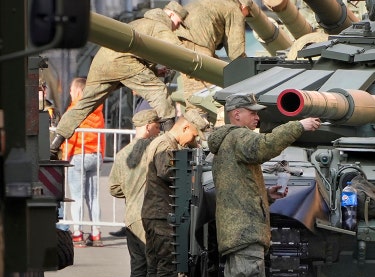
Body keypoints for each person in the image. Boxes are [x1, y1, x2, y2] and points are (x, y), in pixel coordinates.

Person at [206, 93, 321, 277]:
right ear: (236, 114)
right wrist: (299, 125)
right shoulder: (239, 137)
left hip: (234, 234)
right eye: (252, 112)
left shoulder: (226, 142)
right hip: (246, 234)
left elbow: (237, 189)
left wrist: (266, 195)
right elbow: (265, 146)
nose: (257, 117)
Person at [50, 1, 189, 157]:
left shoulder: (139, 23)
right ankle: (170, 144)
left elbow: (138, 52)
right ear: (170, 14)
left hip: (102, 63)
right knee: (160, 93)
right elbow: (178, 50)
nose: (177, 28)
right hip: (123, 62)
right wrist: (194, 59)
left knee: (83, 105)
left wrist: (156, 71)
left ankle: (55, 145)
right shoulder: (159, 26)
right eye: (178, 23)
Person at [141, 109, 209, 277]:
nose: (194, 140)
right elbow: (166, 171)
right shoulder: (165, 145)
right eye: (194, 135)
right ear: (185, 127)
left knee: (155, 267)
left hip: (156, 213)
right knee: (167, 267)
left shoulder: (166, 143)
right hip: (161, 214)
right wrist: (192, 174)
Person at [109, 109, 162, 277]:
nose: (160, 130)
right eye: (157, 126)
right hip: (154, 215)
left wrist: (130, 192)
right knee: (155, 265)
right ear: (149, 126)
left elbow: (114, 188)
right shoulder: (157, 151)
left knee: (138, 266)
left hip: (132, 216)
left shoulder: (123, 154)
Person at [175, 0, 248, 121]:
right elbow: (236, 53)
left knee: (193, 93)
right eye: (247, 13)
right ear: (244, 6)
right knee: (210, 95)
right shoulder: (234, 9)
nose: (246, 16)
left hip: (178, 43)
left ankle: (196, 125)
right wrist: (247, 73)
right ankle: (208, 128)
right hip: (197, 48)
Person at [61, 77, 106, 247]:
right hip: (95, 155)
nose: (70, 94)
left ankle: (78, 233)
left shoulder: (75, 110)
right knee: (93, 197)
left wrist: (65, 157)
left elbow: (70, 137)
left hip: (78, 156)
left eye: (71, 91)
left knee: (77, 198)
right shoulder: (98, 110)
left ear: (79, 92)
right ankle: (96, 234)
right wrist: (101, 154)